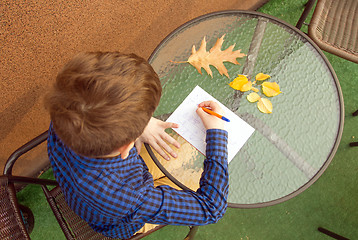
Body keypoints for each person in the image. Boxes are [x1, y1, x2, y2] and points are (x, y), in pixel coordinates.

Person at [45, 52, 229, 239]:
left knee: (182, 150)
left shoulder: (67, 110)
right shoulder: (128, 199)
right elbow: (211, 208)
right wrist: (217, 133)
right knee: (197, 169)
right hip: (121, 220)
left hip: (83, 190)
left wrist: (139, 123)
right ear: (126, 147)